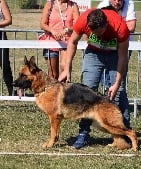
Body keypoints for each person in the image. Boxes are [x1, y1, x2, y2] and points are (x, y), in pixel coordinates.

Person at [58, 8, 130, 149]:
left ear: (106, 24)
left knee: (119, 93)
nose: (98, 35)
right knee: (87, 94)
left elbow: (122, 58)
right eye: (94, 33)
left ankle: (125, 134)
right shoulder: (83, 21)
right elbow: (72, 42)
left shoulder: (120, 27)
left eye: (100, 32)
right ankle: (83, 134)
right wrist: (67, 68)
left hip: (114, 55)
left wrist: (116, 83)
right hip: (93, 54)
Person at [97, 0, 136, 93]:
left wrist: (111, 29)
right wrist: (119, 28)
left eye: (120, 0)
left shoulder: (129, 4)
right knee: (105, 74)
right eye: (114, 0)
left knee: (120, 76)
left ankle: (119, 97)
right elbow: (96, 25)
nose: (117, 2)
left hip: (123, 45)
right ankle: (107, 93)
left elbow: (131, 27)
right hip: (106, 46)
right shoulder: (102, 5)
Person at [40, 0, 80, 79]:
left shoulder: (73, 5)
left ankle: (65, 90)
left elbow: (78, 25)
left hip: (67, 42)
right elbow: (42, 24)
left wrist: (67, 29)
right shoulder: (49, 4)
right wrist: (52, 30)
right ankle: (53, 90)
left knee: (64, 69)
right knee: (53, 74)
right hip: (51, 42)